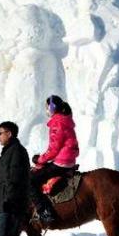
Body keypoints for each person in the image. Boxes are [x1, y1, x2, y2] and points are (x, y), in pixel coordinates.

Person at [29, 95, 80, 225]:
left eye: (47, 107)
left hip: (61, 163)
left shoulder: (57, 123)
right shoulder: (65, 120)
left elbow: (53, 149)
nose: (46, 110)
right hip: (68, 160)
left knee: (31, 181)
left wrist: (40, 160)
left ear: (52, 108)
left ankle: (45, 212)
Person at [0, 121, 31, 236]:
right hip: (6, 205)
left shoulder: (17, 152)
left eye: (0, 133)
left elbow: (15, 179)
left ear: (9, 134)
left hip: (11, 206)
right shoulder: (9, 151)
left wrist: (8, 201)